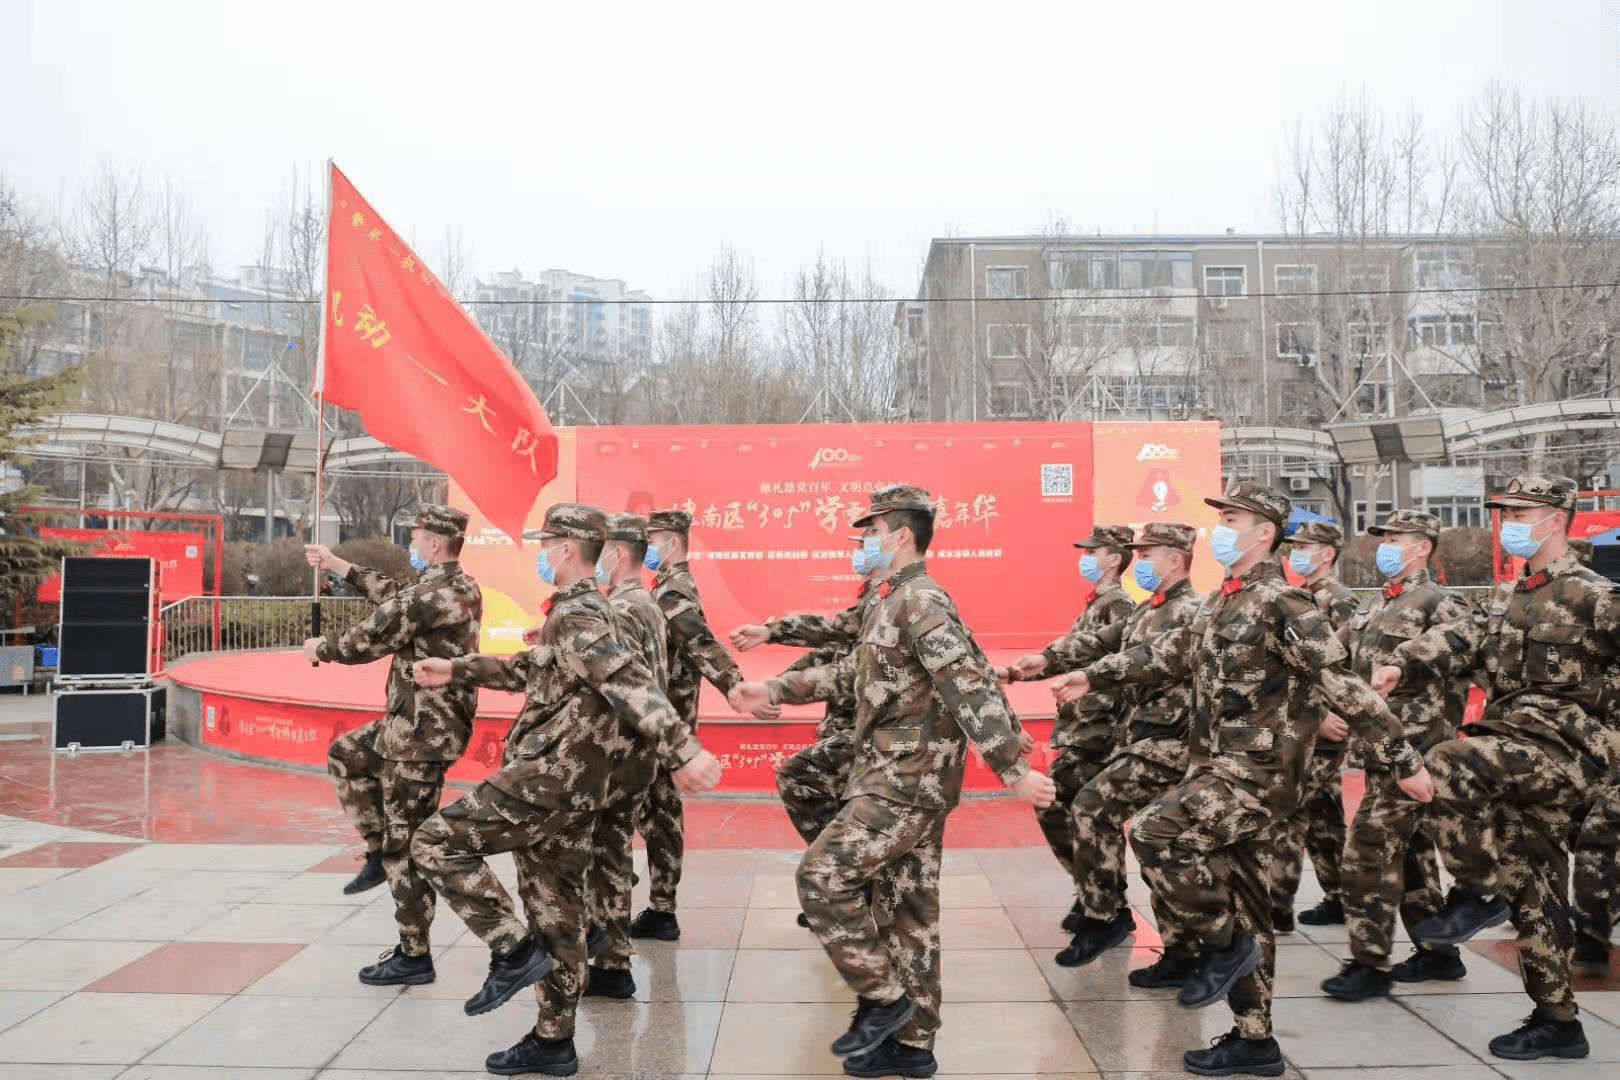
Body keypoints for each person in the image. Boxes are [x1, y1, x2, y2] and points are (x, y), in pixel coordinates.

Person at [1059, 482, 1434, 1077]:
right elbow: (1168, 652)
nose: (1221, 529)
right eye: (1222, 518)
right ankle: (1254, 1040)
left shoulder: (1285, 604)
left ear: (1265, 534)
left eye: (1233, 518)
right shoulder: (1221, 602)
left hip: (1257, 773)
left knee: (1157, 833)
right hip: (1216, 766)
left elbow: (1344, 685)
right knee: (1248, 903)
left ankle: (1223, 946)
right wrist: (1093, 676)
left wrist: (1403, 760)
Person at [730, 483, 1056, 1078]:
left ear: (901, 535)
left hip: (908, 780)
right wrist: (773, 689)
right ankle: (913, 1045)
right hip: (891, 774)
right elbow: (852, 671)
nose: (863, 541)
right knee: (910, 911)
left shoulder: (922, 601)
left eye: (871, 532)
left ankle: (884, 998)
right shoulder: (887, 598)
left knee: (822, 876)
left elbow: (969, 682)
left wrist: (1013, 768)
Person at [409, 502, 724, 1077]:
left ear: (568, 550)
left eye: (547, 541)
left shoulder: (581, 614)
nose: (540, 550)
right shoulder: (585, 610)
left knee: (434, 842)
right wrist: (456, 670)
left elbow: (625, 681)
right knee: (555, 907)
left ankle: (510, 947)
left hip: (551, 778)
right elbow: (538, 668)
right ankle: (553, 1041)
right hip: (580, 787)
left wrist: (684, 748)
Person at [1375, 474, 1620, 1061]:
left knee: (1448, 762)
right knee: (1529, 879)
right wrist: (1399, 665)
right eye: (1503, 509)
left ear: (1555, 520)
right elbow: (1463, 637)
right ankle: (1557, 1020)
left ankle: (1474, 889)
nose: (1507, 518)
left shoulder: (1596, 595)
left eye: (1519, 510)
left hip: (1572, 749)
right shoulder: (1513, 595)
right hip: (1519, 749)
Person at [301, 505, 481, 987]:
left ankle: (413, 953)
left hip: (420, 736)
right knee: (347, 753)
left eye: (417, 537)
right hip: (414, 726)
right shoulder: (461, 586)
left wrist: (321, 648)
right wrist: (338, 566)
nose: (412, 544)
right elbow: (396, 597)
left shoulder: (427, 595)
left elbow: (370, 637)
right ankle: (379, 850)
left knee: (410, 845)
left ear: (436, 544)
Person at [1320, 509, 1475, 1001]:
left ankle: (1369, 963)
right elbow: (1336, 660)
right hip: (1379, 751)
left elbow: (1463, 649)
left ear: (1423, 546)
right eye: (1383, 537)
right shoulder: (1376, 607)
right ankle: (1438, 952)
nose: (1385, 545)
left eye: (1396, 538)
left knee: (1366, 850)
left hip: (1418, 749)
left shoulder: (1440, 602)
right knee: (1407, 854)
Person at [1044, 522, 1204, 975]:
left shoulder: (1191, 610)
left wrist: (1092, 677)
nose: (1141, 561)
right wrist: (1042, 662)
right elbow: (1099, 643)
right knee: (1159, 842)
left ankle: (1107, 914)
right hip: (1141, 740)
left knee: (1096, 808)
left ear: (1175, 560)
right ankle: (1176, 948)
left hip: (1172, 743)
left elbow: (1147, 659)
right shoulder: (1148, 609)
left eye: (1148, 553)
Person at [730, 532, 888, 928]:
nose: (858, 552)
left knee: (799, 777)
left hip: (877, 728)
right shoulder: (874, 594)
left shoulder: (891, 597)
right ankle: (846, 889)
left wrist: (776, 684)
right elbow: (833, 643)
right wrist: (778, 677)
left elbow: (841, 650)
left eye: (867, 542)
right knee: (840, 804)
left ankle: (843, 884)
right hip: (849, 722)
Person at [1001, 524, 1136, 929]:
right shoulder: (1097, 603)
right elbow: (1074, 653)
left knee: (1078, 811)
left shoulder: (1120, 606)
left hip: (1100, 730)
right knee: (1070, 811)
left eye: (1092, 552)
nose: (1085, 558)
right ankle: (1096, 894)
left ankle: (1105, 901)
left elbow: (1124, 667)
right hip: (1083, 728)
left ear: (1114, 559)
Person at [633, 507, 747, 942]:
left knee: (658, 811)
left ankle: (660, 907)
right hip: (663, 718)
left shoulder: (672, 591)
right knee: (652, 807)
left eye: (654, 539)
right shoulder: (664, 587)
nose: (647, 548)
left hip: (667, 721)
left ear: (674, 544)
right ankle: (648, 897)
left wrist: (734, 686)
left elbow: (699, 644)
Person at [582, 512, 667, 1000]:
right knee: (613, 851)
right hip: (638, 748)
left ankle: (609, 958)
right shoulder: (645, 603)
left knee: (605, 853)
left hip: (619, 749)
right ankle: (612, 962)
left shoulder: (622, 609)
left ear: (617, 554)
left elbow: (622, 685)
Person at [1268, 519, 1361, 931]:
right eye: (1293, 547)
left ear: (1327, 554)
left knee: (1288, 810)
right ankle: (1341, 896)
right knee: (1323, 817)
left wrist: (1325, 715)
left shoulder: (1337, 599)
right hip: (1302, 724)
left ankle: (1276, 904)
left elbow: (1342, 666)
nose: (1294, 554)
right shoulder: (1302, 596)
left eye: (1304, 547)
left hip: (1320, 727)